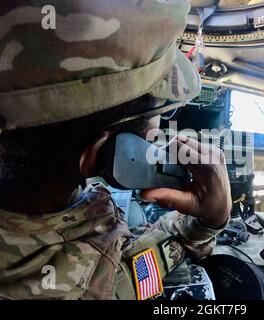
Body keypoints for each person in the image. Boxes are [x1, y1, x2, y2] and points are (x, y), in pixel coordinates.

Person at [0, 0, 231, 300]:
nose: (158, 133)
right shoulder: (94, 283)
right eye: (158, 115)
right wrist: (207, 221)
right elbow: (129, 275)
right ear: (98, 154)